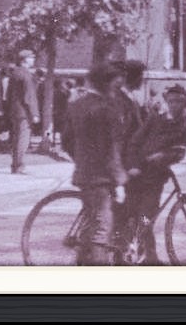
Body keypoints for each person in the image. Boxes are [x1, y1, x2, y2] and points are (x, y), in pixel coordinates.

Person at [62, 63, 128, 265]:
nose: (118, 91)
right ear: (107, 85)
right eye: (116, 86)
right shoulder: (108, 110)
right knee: (102, 227)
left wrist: (82, 159)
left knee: (91, 223)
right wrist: (119, 182)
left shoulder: (77, 105)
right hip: (102, 178)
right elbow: (112, 150)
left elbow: (66, 141)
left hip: (83, 174)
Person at [124, 84, 186, 264]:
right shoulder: (154, 119)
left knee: (147, 217)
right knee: (129, 215)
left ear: (184, 103)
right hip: (136, 173)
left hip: (155, 178)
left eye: (178, 101)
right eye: (171, 101)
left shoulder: (184, 128)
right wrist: (132, 165)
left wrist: (163, 156)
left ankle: (149, 257)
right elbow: (134, 142)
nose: (174, 105)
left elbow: (179, 153)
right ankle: (133, 256)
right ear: (166, 102)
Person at [5, 49, 40, 175]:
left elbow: (9, 94)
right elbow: (29, 96)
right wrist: (34, 113)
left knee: (16, 138)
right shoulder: (26, 75)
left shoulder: (14, 73)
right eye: (31, 57)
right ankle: (18, 165)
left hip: (15, 110)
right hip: (25, 112)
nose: (33, 59)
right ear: (24, 60)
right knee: (23, 139)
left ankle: (14, 164)